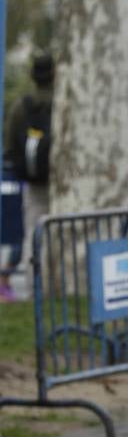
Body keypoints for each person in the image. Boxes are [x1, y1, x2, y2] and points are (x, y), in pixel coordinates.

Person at [1, 54, 55, 302]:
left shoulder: (22, 105)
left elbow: (10, 143)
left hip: (34, 183)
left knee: (34, 233)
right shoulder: (64, 101)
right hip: (62, 179)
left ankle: (36, 293)